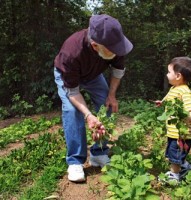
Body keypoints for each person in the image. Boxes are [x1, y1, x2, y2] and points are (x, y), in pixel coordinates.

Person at [54, 14, 133, 182]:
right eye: (113, 50)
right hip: (68, 76)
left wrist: (111, 95)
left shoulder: (115, 43)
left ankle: (99, 153)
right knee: (72, 110)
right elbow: (73, 91)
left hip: (93, 75)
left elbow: (118, 70)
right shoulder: (72, 51)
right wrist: (88, 115)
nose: (118, 52)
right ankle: (75, 161)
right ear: (95, 45)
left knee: (108, 105)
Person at [155, 56, 191, 184]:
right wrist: (161, 102)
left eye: (169, 72)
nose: (167, 75)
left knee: (175, 153)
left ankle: (174, 175)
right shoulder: (174, 89)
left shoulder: (185, 91)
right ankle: (184, 167)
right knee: (174, 151)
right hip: (173, 131)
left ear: (178, 76)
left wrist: (188, 117)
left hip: (181, 133)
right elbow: (169, 98)